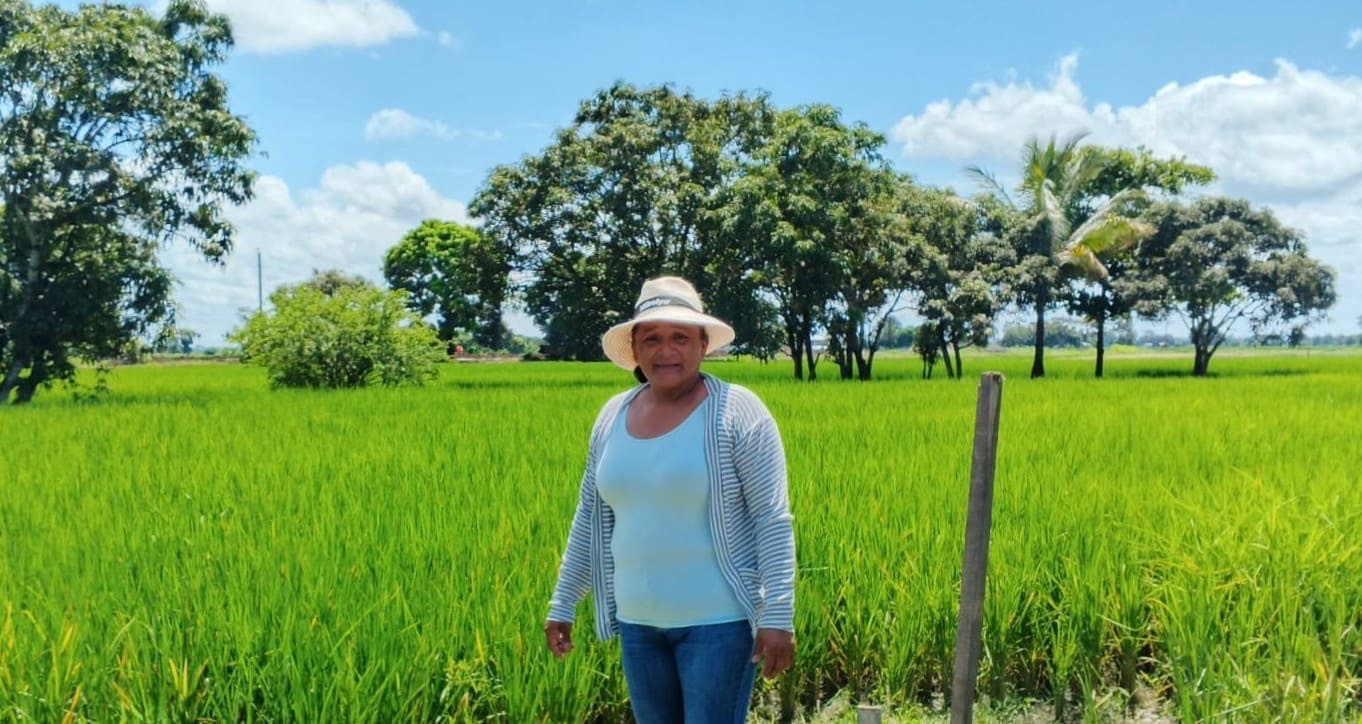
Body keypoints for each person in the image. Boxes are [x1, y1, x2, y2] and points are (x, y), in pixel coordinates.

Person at [544, 276, 796, 724]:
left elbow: (771, 518)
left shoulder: (737, 411)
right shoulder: (611, 416)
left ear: (703, 345)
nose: (666, 351)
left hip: (718, 625)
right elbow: (590, 517)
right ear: (635, 349)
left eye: (680, 337)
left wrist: (777, 613)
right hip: (638, 624)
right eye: (652, 338)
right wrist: (564, 602)